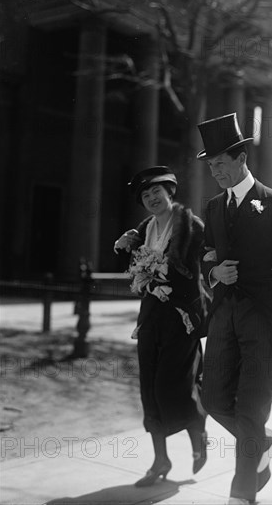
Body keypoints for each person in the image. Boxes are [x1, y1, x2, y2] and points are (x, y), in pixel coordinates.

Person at [196, 113, 272, 505]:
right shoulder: (213, 207)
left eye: (220, 163)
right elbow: (206, 253)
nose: (215, 172)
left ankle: (241, 497)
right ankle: (264, 444)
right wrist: (213, 272)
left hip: (264, 316)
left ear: (241, 158)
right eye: (210, 166)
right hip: (223, 315)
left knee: (252, 406)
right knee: (214, 400)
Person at [114, 166, 208, 486]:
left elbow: (205, 269)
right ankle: (160, 459)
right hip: (151, 317)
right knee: (149, 389)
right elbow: (134, 266)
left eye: (157, 191)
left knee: (173, 386)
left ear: (170, 192)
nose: (152, 198)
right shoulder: (144, 230)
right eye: (145, 194)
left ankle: (198, 431)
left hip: (181, 320)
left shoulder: (191, 227)